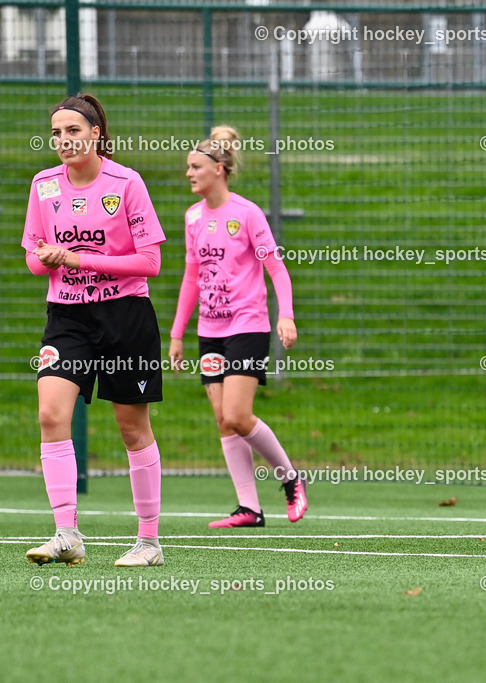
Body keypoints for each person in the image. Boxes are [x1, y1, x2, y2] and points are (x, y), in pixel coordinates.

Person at [23, 94, 166, 567]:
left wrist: (79, 258)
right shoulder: (43, 186)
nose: (64, 141)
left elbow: (150, 262)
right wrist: (45, 259)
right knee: (50, 414)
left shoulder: (126, 182)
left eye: (74, 132)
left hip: (125, 314)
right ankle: (67, 534)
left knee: (131, 427)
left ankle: (148, 542)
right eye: (58, 133)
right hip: (67, 317)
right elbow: (31, 258)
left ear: (96, 134)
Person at [168, 126, 306, 528]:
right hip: (209, 331)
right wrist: (178, 334)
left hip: (247, 326)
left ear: (220, 169)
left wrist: (286, 314)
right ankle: (249, 507)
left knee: (238, 415)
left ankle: (290, 478)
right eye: (188, 167)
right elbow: (191, 278)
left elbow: (276, 268)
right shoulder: (193, 217)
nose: (189, 174)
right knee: (222, 418)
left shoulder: (247, 214)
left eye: (196, 167)